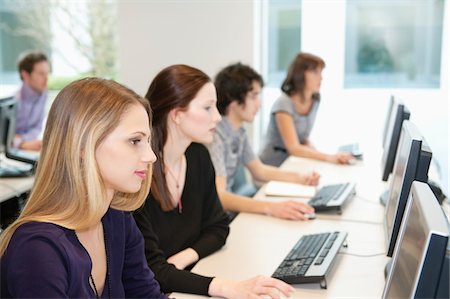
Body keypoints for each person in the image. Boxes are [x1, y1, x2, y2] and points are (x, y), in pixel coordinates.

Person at [133, 64, 294, 298]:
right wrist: (227, 287)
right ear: (177, 114)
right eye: (208, 108)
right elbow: (151, 270)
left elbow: (219, 227)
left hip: (189, 280)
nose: (217, 117)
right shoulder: (139, 175)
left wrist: (186, 256)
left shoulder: (198, 156)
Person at [0, 78, 165, 298]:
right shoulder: (38, 249)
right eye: (135, 141)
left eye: (147, 141)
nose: (151, 156)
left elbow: (145, 294)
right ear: (82, 144)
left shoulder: (116, 218)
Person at [208, 62, 319, 221]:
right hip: (216, 218)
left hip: (225, 214)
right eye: (253, 96)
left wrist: (301, 178)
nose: (259, 104)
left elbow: (260, 170)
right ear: (233, 100)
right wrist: (271, 208)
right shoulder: (214, 136)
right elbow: (220, 196)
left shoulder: (239, 132)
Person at [259, 52, 353, 167]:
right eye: (315, 72)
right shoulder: (283, 104)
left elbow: (303, 139)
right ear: (300, 74)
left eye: (321, 73)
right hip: (272, 166)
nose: (321, 78)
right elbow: (294, 148)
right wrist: (329, 157)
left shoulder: (315, 100)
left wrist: (324, 155)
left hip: (294, 162)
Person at [13, 51, 51, 151]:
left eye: (47, 73)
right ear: (25, 75)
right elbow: (4, 136)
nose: (47, 79)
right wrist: (22, 144)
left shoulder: (43, 94)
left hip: (28, 147)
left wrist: (23, 141)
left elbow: (37, 127)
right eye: (41, 74)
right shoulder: (13, 100)